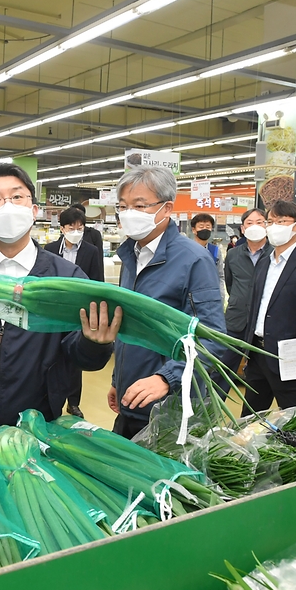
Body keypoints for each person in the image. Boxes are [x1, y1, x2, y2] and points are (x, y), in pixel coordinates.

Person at [0, 163, 120, 428]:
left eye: (17, 196)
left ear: (33, 211)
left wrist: (96, 343)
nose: (7, 205)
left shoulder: (67, 279)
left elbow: (83, 358)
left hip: (38, 423)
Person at [107, 166, 227, 439]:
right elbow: (129, 329)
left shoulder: (193, 260)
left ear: (167, 208)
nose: (128, 214)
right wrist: (118, 379)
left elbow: (212, 338)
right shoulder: (131, 256)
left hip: (169, 410)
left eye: (139, 205)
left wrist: (166, 378)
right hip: (131, 400)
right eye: (123, 206)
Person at [241, 200, 296, 414]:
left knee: (294, 418)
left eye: (281, 221)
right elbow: (256, 306)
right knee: (250, 416)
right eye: (270, 222)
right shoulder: (264, 262)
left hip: (289, 357)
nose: (274, 227)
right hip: (258, 351)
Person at [44, 206, 105, 417]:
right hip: (53, 310)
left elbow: (97, 280)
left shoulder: (91, 251)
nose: (76, 230)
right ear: (62, 228)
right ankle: (49, 395)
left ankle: (73, 402)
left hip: (79, 312)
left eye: (80, 227)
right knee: (51, 353)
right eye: (72, 226)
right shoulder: (49, 249)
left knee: (75, 359)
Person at [218, 208, 272, 394]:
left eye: (260, 222)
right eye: (249, 223)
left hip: (265, 323)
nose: (254, 226)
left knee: (259, 374)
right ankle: (210, 413)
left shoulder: (275, 254)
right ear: (242, 229)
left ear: (267, 226)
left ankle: (252, 416)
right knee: (222, 370)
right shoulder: (233, 255)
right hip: (236, 319)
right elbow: (230, 284)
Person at [190, 213, 226, 302]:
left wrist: (221, 297)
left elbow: (220, 276)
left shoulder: (215, 251)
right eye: (201, 227)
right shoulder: (187, 249)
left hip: (210, 297)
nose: (205, 229)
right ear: (194, 230)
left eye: (208, 226)